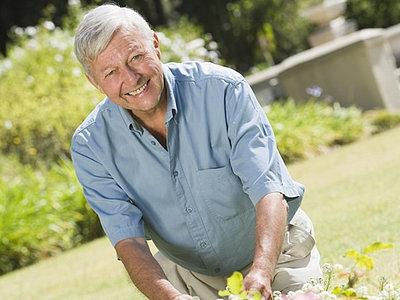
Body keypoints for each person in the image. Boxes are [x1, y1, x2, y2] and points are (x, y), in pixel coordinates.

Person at [71, 4, 322, 300]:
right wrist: (173, 298)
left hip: (278, 253)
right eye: (111, 72)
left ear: (155, 44)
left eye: (136, 57)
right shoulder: (91, 146)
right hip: (189, 278)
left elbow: (268, 189)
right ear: (94, 82)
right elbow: (129, 242)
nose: (131, 78)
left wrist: (262, 271)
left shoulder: (223, 90)